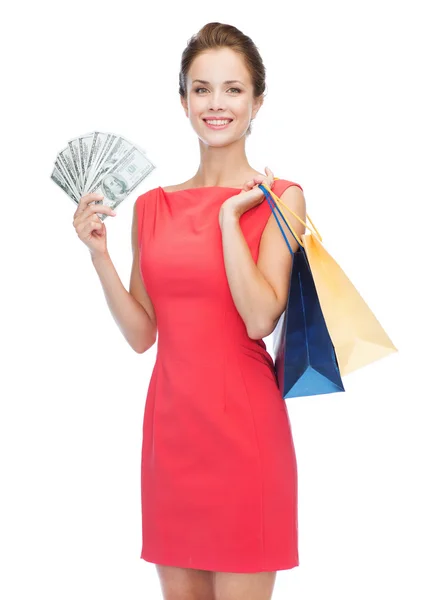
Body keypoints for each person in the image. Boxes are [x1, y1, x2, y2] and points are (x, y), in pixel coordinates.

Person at [73, 21, 306, 600]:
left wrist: (230, 220)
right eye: (201, 89)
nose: (217, 104)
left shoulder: (283, 199)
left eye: (233, 89)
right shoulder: (152, 207)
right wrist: (99, 255)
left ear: (257, 102)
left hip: (245, 438)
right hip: (172, 437)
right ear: (183, 102)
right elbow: (142, 334)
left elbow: (260, 319)